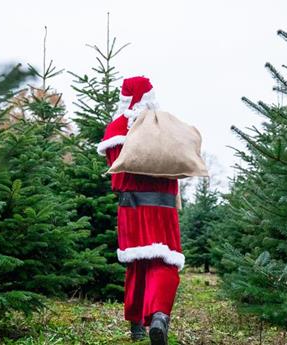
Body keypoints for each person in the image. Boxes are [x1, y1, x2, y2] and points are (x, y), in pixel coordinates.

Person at [97, 76, 184, 345]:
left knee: (136, 262)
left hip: (131, 206)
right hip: (163, 207)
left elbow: (116, 169)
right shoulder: (163, 125)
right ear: (150, 95)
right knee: (164, 260)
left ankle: (136, 325)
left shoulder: (115, 127)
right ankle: (159, 315)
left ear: (124, 97)